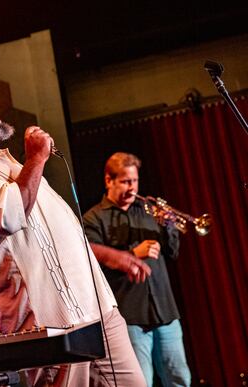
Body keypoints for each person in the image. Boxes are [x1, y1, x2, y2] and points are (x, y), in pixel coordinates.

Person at [0, 87, 145, 386]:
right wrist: (36, 157)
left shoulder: (5, 163)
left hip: (96, 309)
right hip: (51, 322)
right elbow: (12, 212)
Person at [83, 152, 191, 386]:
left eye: (135, 181)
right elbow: (92, 269)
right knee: (141, 382)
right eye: (125, 181)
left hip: (165, 311)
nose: (132, 188)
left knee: (180, 379)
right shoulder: (93, 219)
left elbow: (172, 252)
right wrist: (134, 254)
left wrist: (169, 226)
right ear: (109, 180)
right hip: (131, 317)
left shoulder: (148, 211)